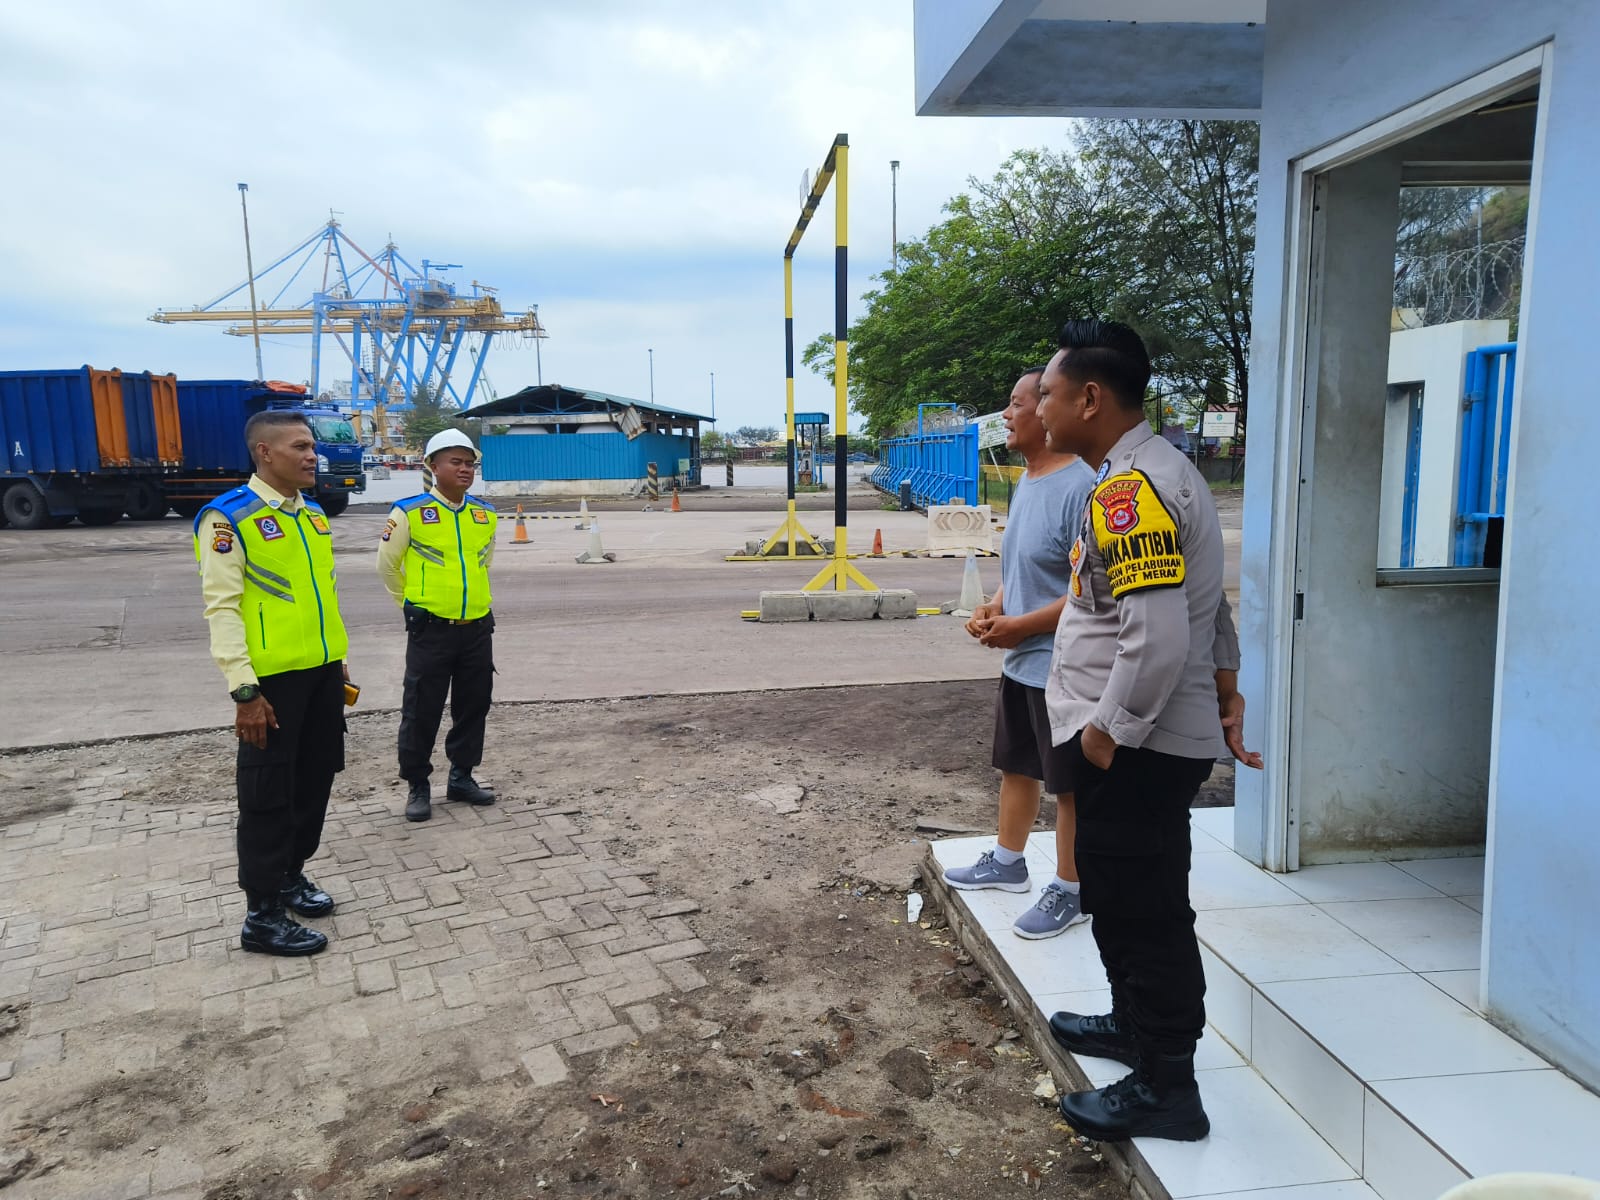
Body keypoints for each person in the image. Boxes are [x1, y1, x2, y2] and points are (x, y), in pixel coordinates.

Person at [1034, 318, 1257, 1142]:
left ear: (1091, 398)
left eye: (1049, 394)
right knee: (1125, 897)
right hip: (1142, 738)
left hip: (1135, 744)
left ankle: (1167, 1086)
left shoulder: (1129, 493)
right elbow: (1209, 605)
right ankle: (1134, 1028)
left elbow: (1158, 637)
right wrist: (1227, 684)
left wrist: (1107, 735)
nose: (1040, 408)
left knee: (1145, 910)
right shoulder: (1160, 471)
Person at [945, 367, 1096, 939]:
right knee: (1017, 765)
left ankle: (1072, 890)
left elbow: (1090, 591)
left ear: (1048, 410)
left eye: (1016, 403)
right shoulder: (1028, 480)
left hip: (1064, 666)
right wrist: (993, 607)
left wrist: (1020, 627)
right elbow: (1025, 568)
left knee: (1069, 786)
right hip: (1023, 661)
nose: (1006, 416)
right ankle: (1008, 863)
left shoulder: (1081, 488)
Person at [193, 410, 350, 957]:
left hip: (321, 674)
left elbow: (322, 594)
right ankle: (261, 915)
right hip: (269, 686)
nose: (312, 455)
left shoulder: (313, 515)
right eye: (300, 446)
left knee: (314, 781)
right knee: (266, 796)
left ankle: (290, 875)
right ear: (264, 452)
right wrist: (244, 691)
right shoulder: (228, 518)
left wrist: (337, 659)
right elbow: (222, 608)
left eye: (312, 446)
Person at [378, 428, 499, 823]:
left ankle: (462, 776)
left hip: (476, 628)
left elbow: (485, 562)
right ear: (432, 465)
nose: (465, 469)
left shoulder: (484, 513)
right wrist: (411, 605)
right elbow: (387, 566)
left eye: (469, 463)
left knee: (473, 705)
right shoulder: (409, 512)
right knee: (421, 709)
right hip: (431, 629)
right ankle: (418, 784)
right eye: (455, 462)